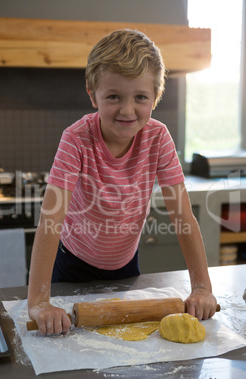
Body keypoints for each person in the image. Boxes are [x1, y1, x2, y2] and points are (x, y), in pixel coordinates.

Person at [28, 29, 217, 335]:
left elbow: (183, 216)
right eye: (114, 96)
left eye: (140, 97)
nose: (127, 110)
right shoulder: (76, 139)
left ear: (155, 97)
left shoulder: (158, 138)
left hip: (126, 267)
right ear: (93, 95)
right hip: (72, 265)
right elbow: (51, 220)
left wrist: (202, 288)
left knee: (123, 346)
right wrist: (39, 301)